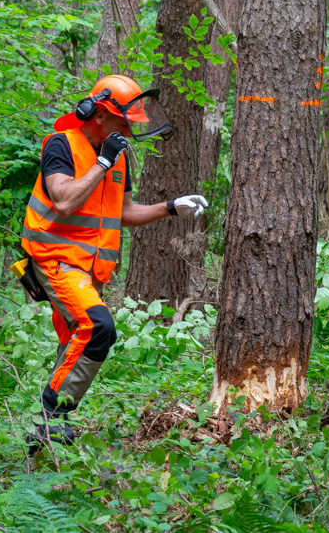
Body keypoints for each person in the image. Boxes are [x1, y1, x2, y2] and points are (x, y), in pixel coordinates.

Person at [20, 74, 208, 451]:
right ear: (99, 115)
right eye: (124, 122)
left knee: (75, 343)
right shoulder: (62, 145)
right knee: (99, 327)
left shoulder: (116, 156)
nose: (129, 129)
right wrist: (102, 162)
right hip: (55, 259)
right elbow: (63, 200)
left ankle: (41, 448)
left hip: (91, 269)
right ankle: (51, 416)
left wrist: (170, 207)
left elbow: (123, 212)